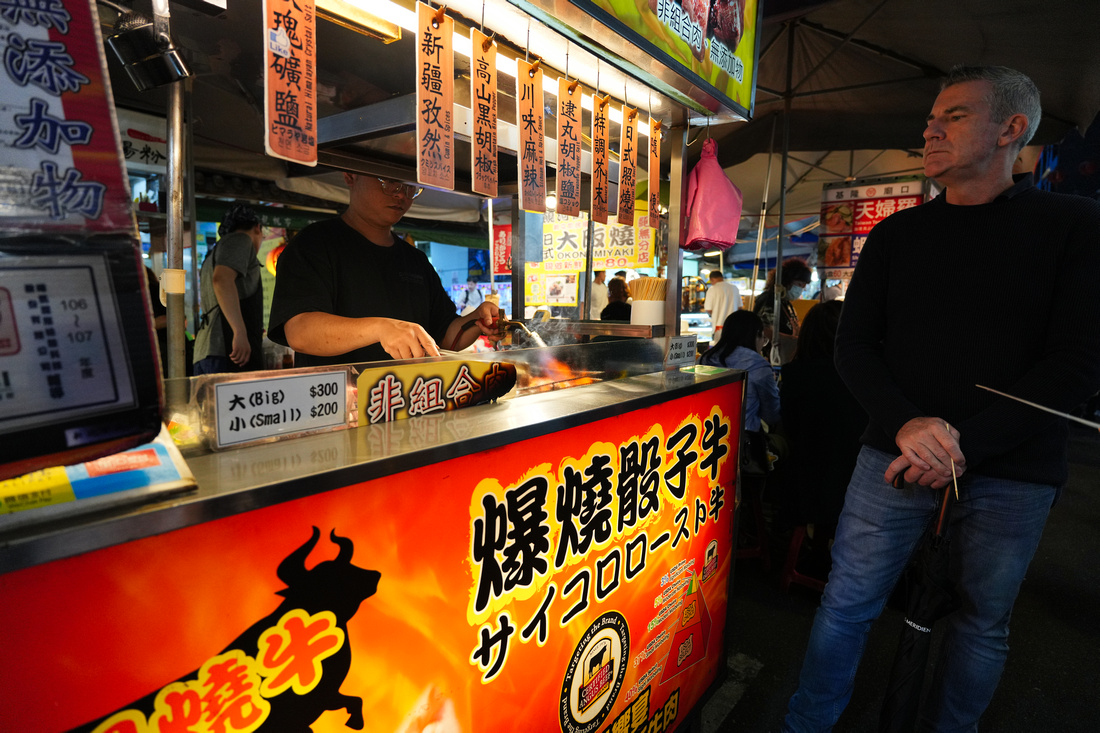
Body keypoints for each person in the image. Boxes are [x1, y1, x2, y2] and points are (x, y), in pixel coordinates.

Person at [783, 66, 1100, 732]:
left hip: (1013, 466)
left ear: (1012, 128)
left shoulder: (1074, 225)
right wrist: (907, 424)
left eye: (953, 115)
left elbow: (1077, 364)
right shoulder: (898, 234)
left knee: (982, 621)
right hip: (893, 456)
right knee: (847, 603)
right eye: (931, 117)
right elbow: (853, 346)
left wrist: (962, 445)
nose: (929, 128)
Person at [267, 174, 499, 366]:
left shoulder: (415, 260)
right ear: (350, 176)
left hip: (410, 403)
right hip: (337, 406)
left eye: (410, 187)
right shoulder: (314, 244)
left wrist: (477, 319)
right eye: (388, 181)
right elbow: (300, 332)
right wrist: (381, 328)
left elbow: (445, 338)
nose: (400, 194)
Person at [779, 300, 866, 538]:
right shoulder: (865, 374)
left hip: (806, 484)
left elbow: (790, 426)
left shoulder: (795, 374)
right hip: (860, 484)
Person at [193, 204, 265, 375]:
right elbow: (222, 280)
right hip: (226, 350)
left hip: (207, 351)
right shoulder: (240, 240)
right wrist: (239, 332)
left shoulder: (214, 253)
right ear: (257, 227)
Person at [699, 310, 779, 433]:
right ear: (756, 335)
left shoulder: (704, 358)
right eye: (763, 338)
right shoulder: (759, 366)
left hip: (704, 433)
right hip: (744, 438)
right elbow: (772, 414)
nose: (763, 343)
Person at [753, 257, 812, 340]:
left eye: (804, 286)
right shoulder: (769, 300)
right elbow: (764, 330)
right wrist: (789, 339)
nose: (801, 290)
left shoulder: (785, 302)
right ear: (786, 281)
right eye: (799, 284)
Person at [703, 269, 742, 343]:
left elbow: (708, 309)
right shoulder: (734, 288)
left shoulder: (712, 289)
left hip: (719, 328)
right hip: (733, 327)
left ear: (711, 279)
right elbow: (740, 307)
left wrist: (716, 313)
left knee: (719, 351)